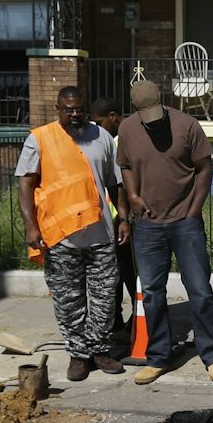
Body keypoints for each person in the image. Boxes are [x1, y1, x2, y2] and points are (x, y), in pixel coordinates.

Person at [118, 78, 213, 385]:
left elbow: (204, 168)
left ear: (162, 101)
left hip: (185, 222)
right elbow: (124, 165)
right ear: (136, 110)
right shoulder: (127, 129)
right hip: (149, 226)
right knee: (152, 294)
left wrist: (193, 212)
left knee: (200, 290)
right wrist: (134, 195)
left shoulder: (187, 125)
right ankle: (159, 357)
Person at [18, 86, 129, 382]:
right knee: (69, 300)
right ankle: (78, 355)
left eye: (79, 108)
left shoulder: (102, 136)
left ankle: (100, 350)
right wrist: (31, 227)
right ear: (58, 109)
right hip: (60, 236)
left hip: (101, 233)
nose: (75, 114)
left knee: (105, 298)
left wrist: (123, 218)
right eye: (69, 109)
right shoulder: (39, 139)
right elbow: (26, 185)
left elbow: (115, 182)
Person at [90, 94, 139, 349]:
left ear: (112, 117)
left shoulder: (119, 141)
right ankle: (118, 322)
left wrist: (126, 217)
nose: (97, 127)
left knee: (130, 272)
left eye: (99, 122)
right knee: (115, 275)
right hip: (110, 220)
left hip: (126, 219)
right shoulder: (106, 140)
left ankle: (138, 322)